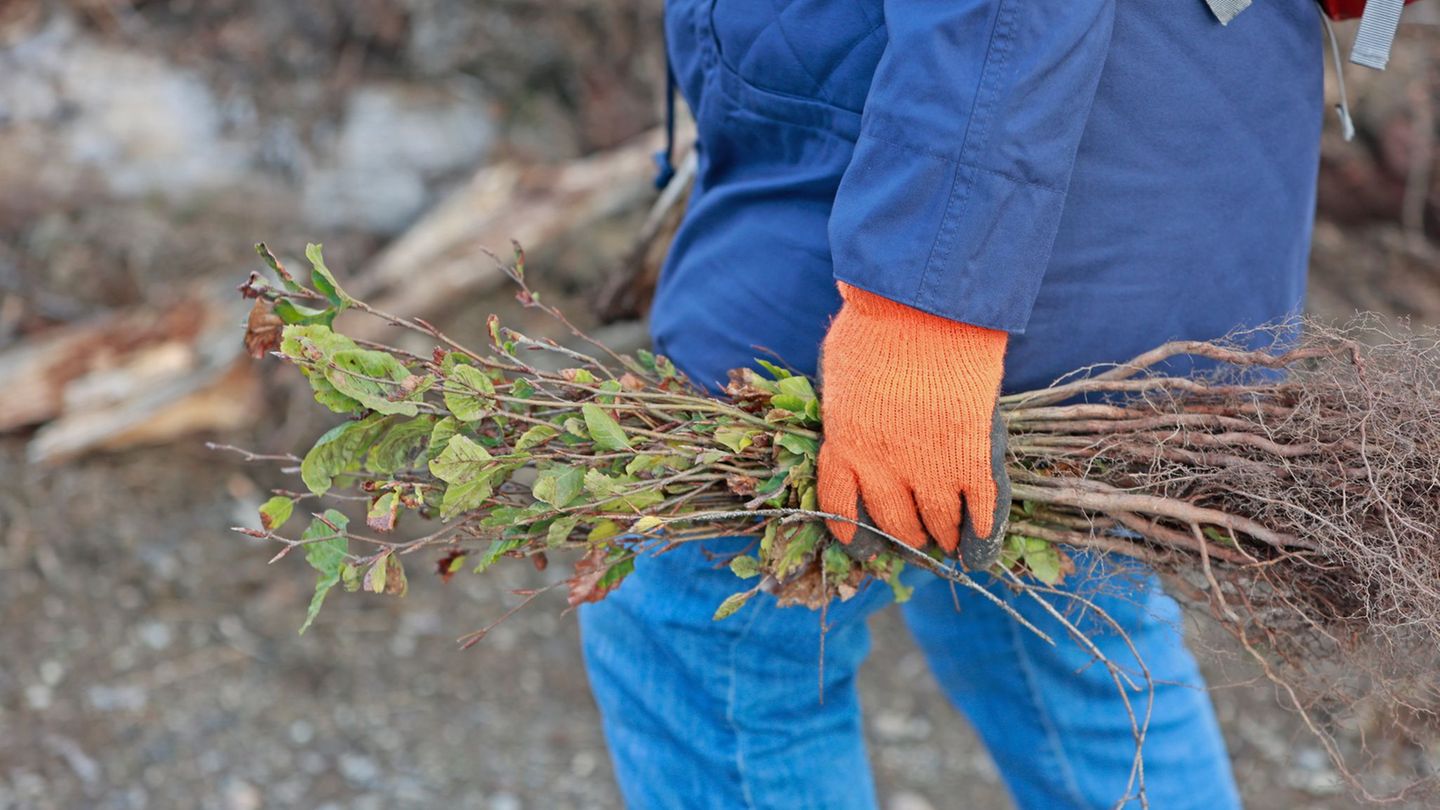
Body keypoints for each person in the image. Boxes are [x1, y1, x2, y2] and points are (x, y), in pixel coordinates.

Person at [580, 1, 1323, 807]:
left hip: (919, 170)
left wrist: (924, 306)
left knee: (700, 613)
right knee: (1053, 623)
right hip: (1149, 140)